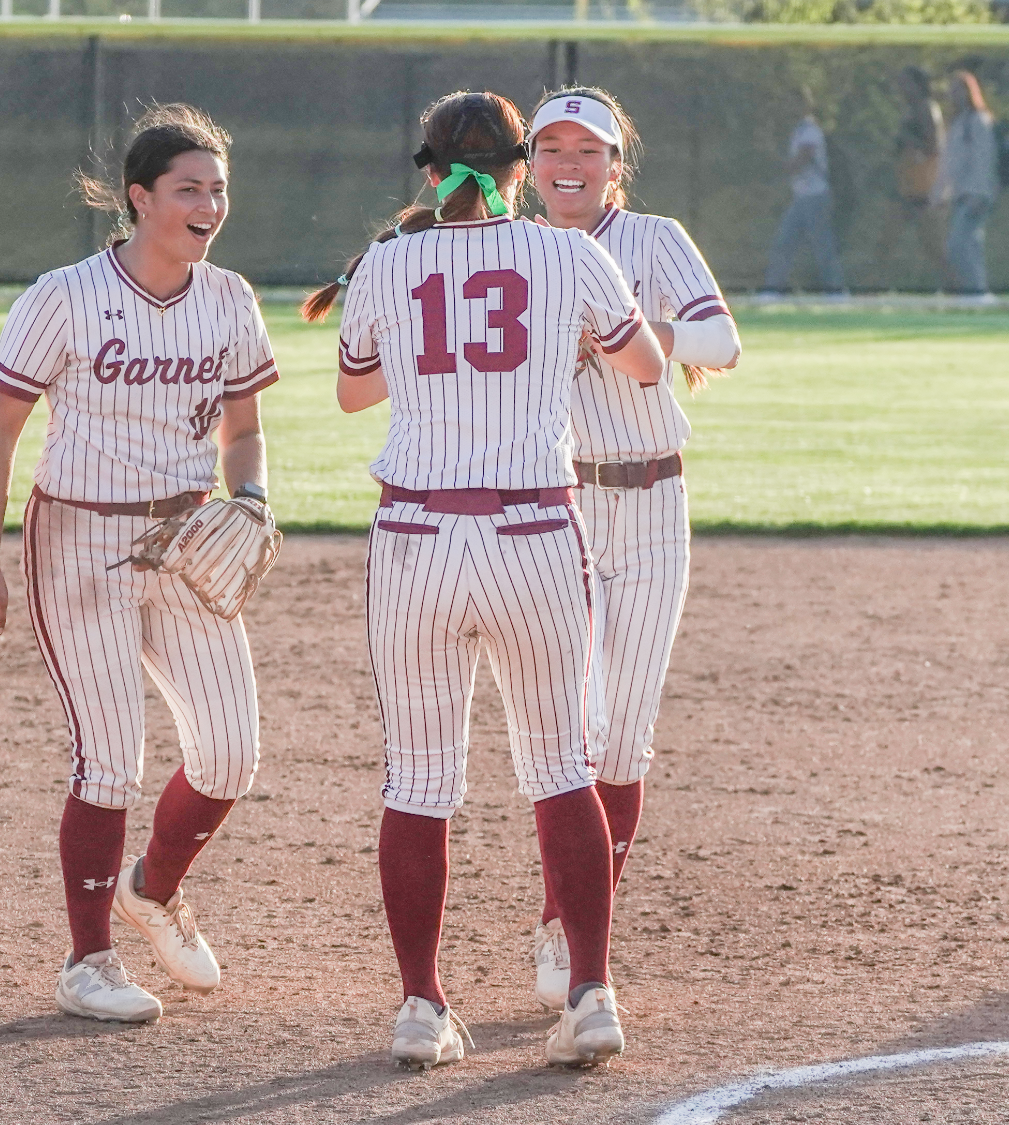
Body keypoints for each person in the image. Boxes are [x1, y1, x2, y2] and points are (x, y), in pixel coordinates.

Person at [302, 89, 666, 1070]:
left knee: (418, 780)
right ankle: (589, 992)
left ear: (427, 169)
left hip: (415, 535)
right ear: (517, 169)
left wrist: (409, 296)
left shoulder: (387, 260)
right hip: (534, 530)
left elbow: (350, 391)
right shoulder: (566, 250)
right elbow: (639, 365)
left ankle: (419, 1007)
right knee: (560, 769)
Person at [0, 104, 278, 1025]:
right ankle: (89, 960)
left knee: (230, 752)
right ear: (139, 199)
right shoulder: (64, 295)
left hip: (185, 544)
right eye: (188, 188)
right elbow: (0, 432)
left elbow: (244, 429)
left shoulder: (229, 299)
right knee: (110, 759)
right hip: (80, 542)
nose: (209, 203)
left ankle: (154, 886)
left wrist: (248, 498)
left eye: (217, 188)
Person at [524, 86, 741, 1012]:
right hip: (556, 509)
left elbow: (722, 341)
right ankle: (570, 933)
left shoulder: (653, 239)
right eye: (551, 147)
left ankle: (564, 924)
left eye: (590, 148)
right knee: (569, 731)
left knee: (622, 735)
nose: (570, 161)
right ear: (528, 166)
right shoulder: (513, 250)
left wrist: (619, 333)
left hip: (652, 503)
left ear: (617, 163)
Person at [760, 86, 848, 299]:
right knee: (784, 242)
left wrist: (772, 157)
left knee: (822, 246)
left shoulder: (810, 130)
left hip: (816, 196)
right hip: (802, 197)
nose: (790, 108)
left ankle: (836, 292)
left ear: (806, 105)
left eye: (795, 102)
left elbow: (800, 162)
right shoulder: (798, 130)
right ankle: (773, 290)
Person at [871, 66, 946, 290]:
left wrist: (912, 144)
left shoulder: (927, 109)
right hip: (905, 187)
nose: (901, 89)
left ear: (918, 85)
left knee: (934, 249)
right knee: (885, 244)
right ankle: (872, 290)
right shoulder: (910, 111)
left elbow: (934, 147)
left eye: (906, 84)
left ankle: (961, 291)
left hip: (923, 189)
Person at [934, 69, 999, 300]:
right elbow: (950, 164)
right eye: (952, 91)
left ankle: (978, 292)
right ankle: (972, 292)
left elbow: (984, 160)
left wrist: (980, 193)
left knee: (960, 244)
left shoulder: (978, 121)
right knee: (966, 245)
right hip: (961, 194)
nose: (955, 96)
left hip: (975, 195)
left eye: (960, 90)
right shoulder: (959, 123)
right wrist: (939, 194)